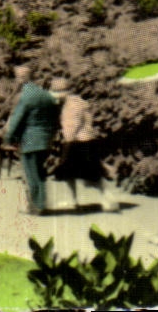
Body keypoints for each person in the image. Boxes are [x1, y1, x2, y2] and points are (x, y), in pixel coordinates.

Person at [52, 76, 116, 213]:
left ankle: (106, 199)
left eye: (58, 92)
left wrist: (67, 143)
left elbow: (72, 127)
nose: (56, 96)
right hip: (85, 141)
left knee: (90, 175)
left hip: (78, 142)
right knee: (72, 174)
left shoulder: (72, 105)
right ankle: (76, 200)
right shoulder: (78, 101)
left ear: (66, 91)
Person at [4, 60, 59, 215]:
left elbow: (17, 119)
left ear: (21, 78)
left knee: (30, 174)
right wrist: (51, 136)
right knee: (40, 172)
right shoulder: (46, 95)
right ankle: (41, 203)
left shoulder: (26, 96)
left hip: (29, 139)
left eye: (17, 77)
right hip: (45, 139)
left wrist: (9, 138)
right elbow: (55, 118)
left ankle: (35, 206)